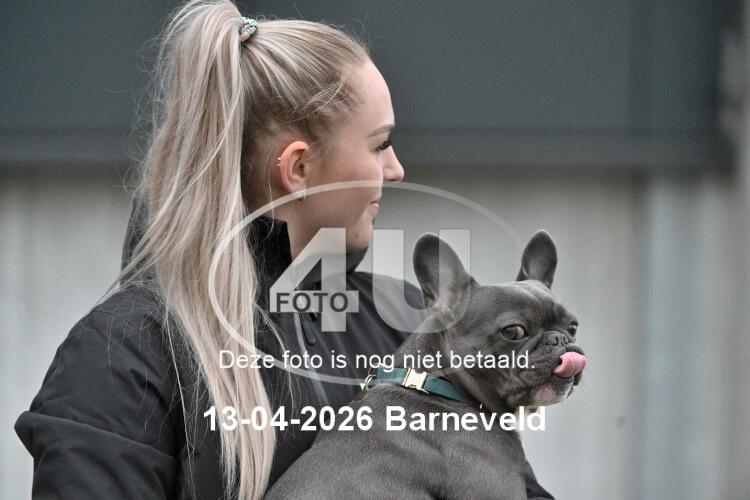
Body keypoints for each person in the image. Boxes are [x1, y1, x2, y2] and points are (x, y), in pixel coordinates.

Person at [14, 1, 555, 498]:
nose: (395, 169)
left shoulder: (412, 323)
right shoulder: (121, 356)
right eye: (380, 144)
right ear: (298, 168)